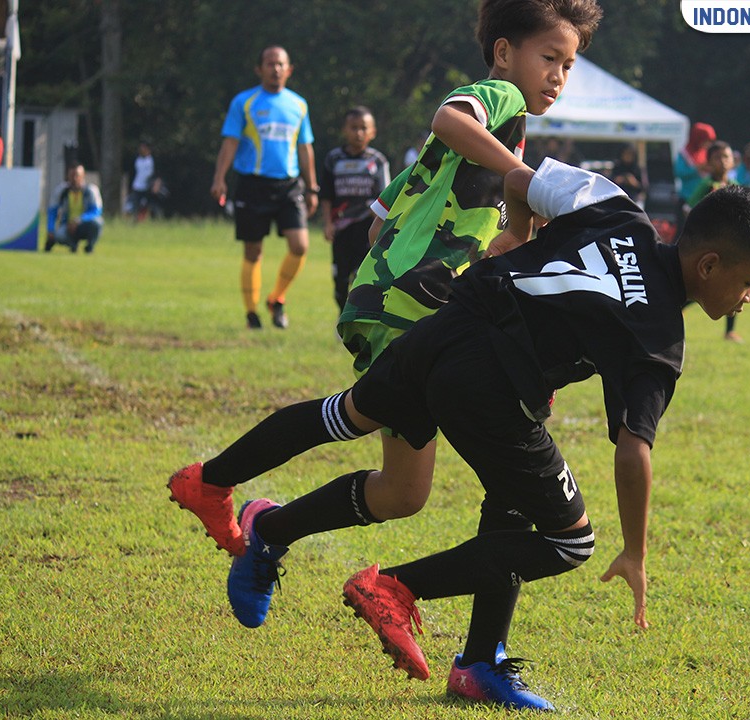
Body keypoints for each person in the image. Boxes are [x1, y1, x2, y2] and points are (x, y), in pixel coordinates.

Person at [168, 158, 750, 710]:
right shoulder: (657, 342)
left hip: (448, 324)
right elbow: (634, 450)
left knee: (348, 417)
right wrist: (636, 553)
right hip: (488, 384)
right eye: (748, 281)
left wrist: (517, 235)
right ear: (709, 265)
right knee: (571, 541)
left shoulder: (616, 206)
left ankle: (226, 493)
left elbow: (520, 180)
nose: (748, 296)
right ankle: (396, 587)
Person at [170, 0, 604, 710]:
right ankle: (216, 487)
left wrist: (526, 216)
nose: (558, 75)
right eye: (548, 58)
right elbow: (449, 120)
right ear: (503, 54)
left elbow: (406, 224)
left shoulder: (510, 151)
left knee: (404, 492)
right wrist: (518, 182)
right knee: (498, 451)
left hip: (413, 307)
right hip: (411, 309)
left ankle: (266, 528)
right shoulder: (495, 102)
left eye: (569, 65)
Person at [210, 45, 319, 330]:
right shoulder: (244, 103)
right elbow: (230, 142)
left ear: (289, 69)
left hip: (289, 186)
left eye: (281, 64)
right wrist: (219, 177)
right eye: (270, 64)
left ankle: (277, 299)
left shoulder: (298, 105)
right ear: (259, 69)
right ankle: (251, 314)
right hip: (252, 185)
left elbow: (305, 147)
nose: (276, 69)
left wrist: (312, 187)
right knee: (253, 251)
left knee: (300, 245)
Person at [320, 106, 391, 314]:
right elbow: (326, 194)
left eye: (363, 128)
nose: (358, 133)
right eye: (353, 127)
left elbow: (386, 196)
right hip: (341, 230)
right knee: (340, 280)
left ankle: (358, 318)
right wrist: (327, 223)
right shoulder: (334, 159)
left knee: (364, 277)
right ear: (344, 130)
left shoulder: (377, 161)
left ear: (372, 132)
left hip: (367, 230)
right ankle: (342, 315)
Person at [688, 140, 744, 342]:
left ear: (732, 161)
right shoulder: (705, 185)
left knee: (736, 286)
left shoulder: (734, 187)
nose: (722, 161)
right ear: (709, 162)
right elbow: (689, 209)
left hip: (730, 247)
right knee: (697, 286)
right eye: (717, 157)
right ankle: (675, 310)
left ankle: (730, 330)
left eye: (726, 157)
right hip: (707, 248)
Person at [44, 164, 103, 253]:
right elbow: (52, 211)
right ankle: (72, 245)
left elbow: (97, 211)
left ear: (83, 176)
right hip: (67, 226)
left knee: (98, 222)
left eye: (77, 175)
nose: (74, 178)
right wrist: (50, 229)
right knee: (59, 235)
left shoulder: (91, 190)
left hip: (84, 225)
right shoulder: (62, 191)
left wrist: (79, 220)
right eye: (72, 175)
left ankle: (89, 246)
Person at [675, 122, 716, 209]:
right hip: (687, 198)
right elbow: (678, 172)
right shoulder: (684, 154)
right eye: (705, 140)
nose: (707, 144)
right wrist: (696, 168)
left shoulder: (706, 153)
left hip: (703, 198)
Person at [126, 141, 156, 220]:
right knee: (135, 203)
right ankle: (136, 219)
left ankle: (145, 218)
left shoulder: (151, 161)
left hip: (147, 187)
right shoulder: (138, 160)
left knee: (146, 204)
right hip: (137, 186)